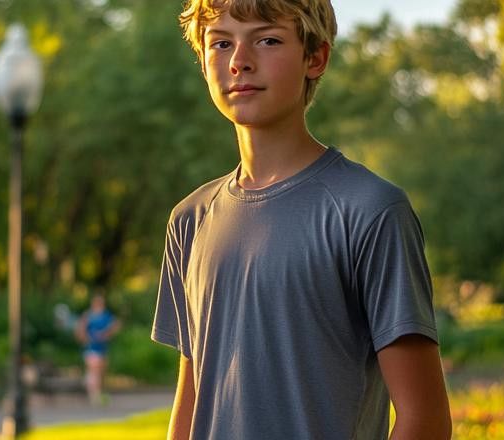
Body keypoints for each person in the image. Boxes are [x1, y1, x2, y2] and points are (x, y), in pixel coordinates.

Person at [151, 1, 452, 438]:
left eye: (267, 39)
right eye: (220, 43)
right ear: (203, 60)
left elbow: (425, 420)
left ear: (316, 57)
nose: (240, 61)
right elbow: (194, 396)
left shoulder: (370, 211)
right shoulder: (190, 221)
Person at [75, 293, 121, 405]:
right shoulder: (88, 315)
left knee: (100, 373)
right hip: (91, 348)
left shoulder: (106, 315)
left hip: (102, 348)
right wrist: (85, 338)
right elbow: (80, 330)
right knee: (94, 371)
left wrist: (106, 334)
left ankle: (93, 389)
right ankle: (94, 396)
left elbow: (116, 325)